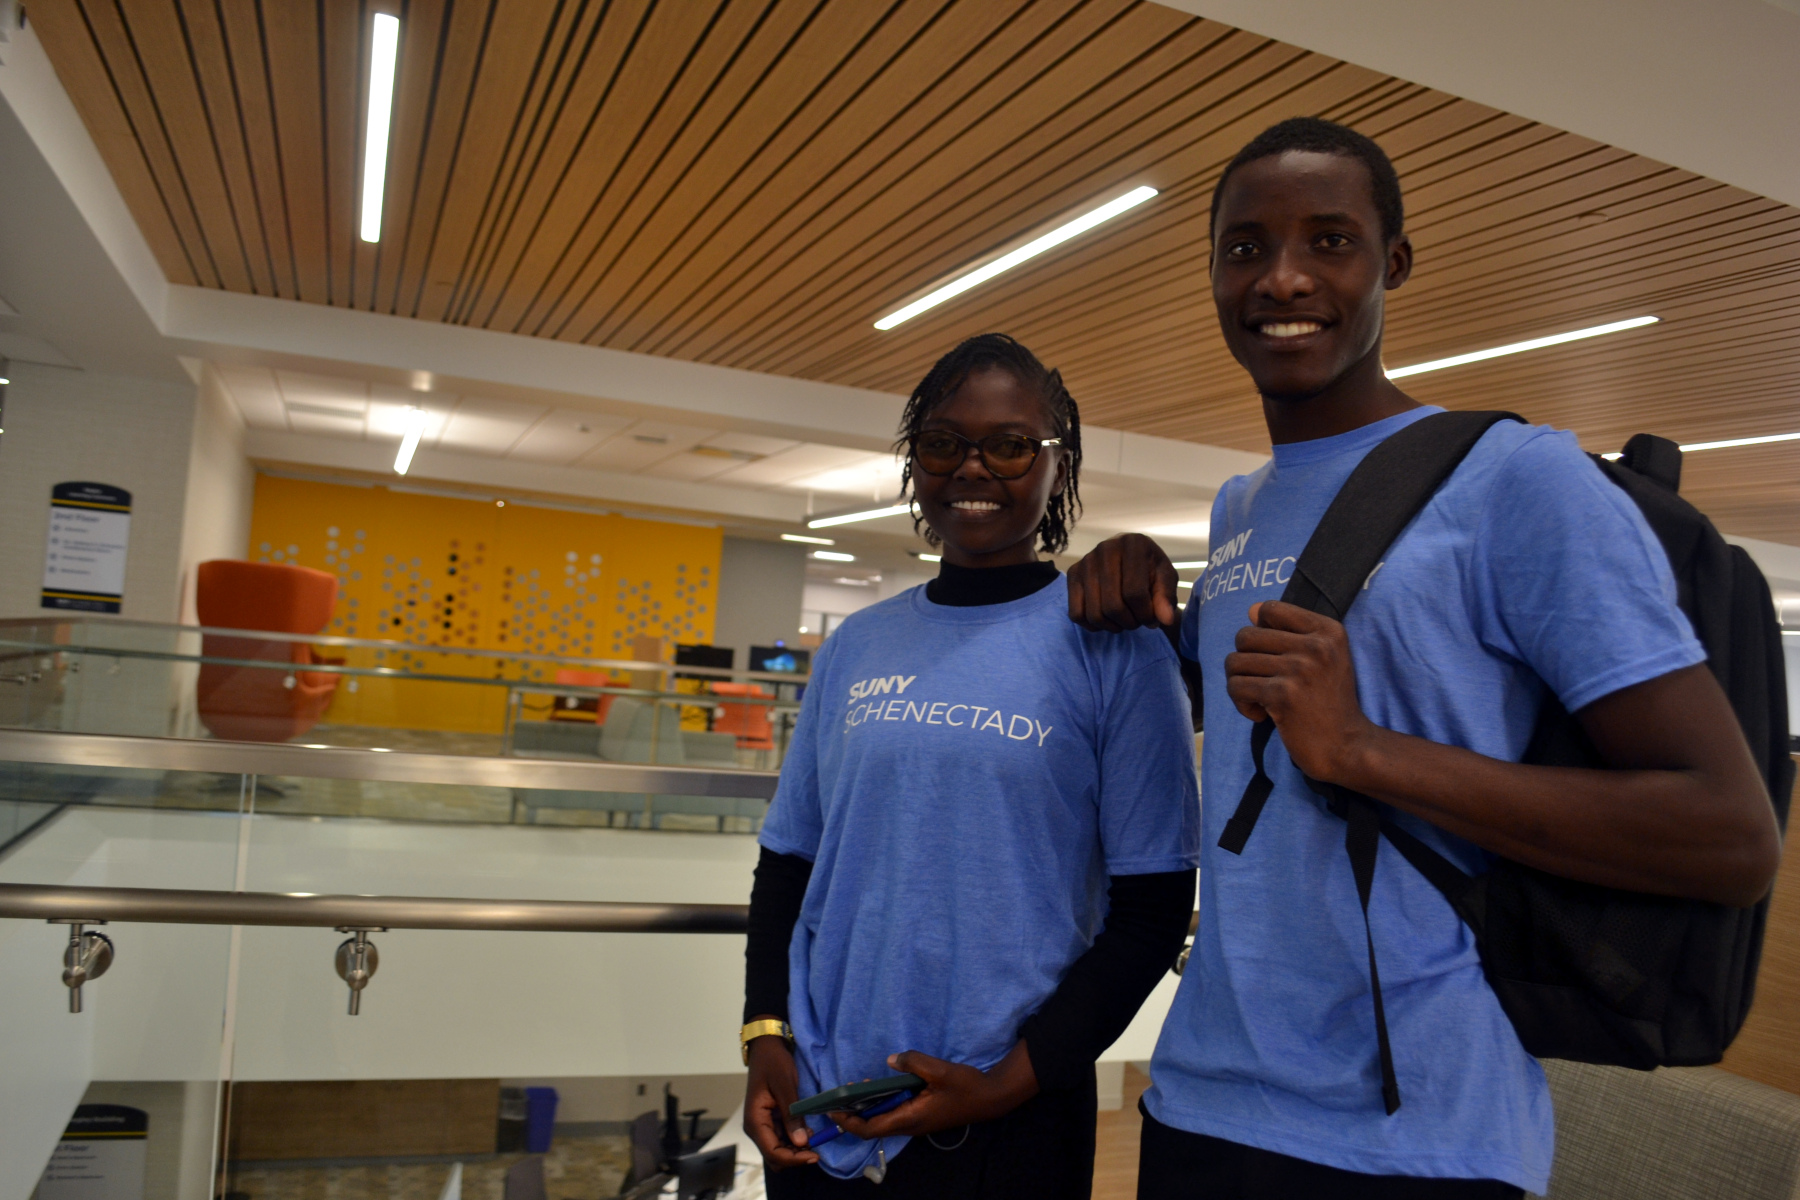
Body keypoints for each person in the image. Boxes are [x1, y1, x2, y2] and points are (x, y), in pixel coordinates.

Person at [1066, 118, 1780, 1198]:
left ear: (1393, 262)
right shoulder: (1239, 508)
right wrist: (1153, 600)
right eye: (1246, 247)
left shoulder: (1518, 483)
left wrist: (1359, 748)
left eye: (1330, 242)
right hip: (1202, 1100)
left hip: (1418, 1132)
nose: (1284, 277)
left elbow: (1730, 835)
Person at [741, 333, 1201, 1198]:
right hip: (824, 1103)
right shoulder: (858, 644)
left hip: (1006, 1118)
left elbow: (1152, 908)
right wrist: (765, 1033)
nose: (974, 468)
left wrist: (1007, 1083)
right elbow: (788, 866)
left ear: (1057, 469)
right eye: (944, 443)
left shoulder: (1117, 650)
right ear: (916, 464)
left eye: (1011, 445)